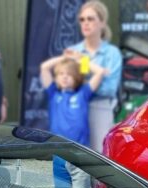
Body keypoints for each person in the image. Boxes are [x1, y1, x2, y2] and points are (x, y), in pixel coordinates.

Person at [67, 1, 122, 150]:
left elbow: (109, 89)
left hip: (100, 108)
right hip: (75, 109)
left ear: (102, 22)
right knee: (74, 155)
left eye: (90, 19)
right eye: (82, 19)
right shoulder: (73, 51)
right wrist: (99, 74)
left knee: (99, 155)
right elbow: (66, 84)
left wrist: (83, 79)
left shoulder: (112, 53)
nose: (85, 23)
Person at [41, 56, 105, 146]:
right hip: (57, 146)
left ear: (76, 77)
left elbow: (100, 72)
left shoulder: (83, 93)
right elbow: (44, 67)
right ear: (56, 78)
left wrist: (80, 60)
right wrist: (65, 58)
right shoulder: (53, 93)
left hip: (80, 146)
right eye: (61, 73)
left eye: (69, 74)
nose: (65, 77)